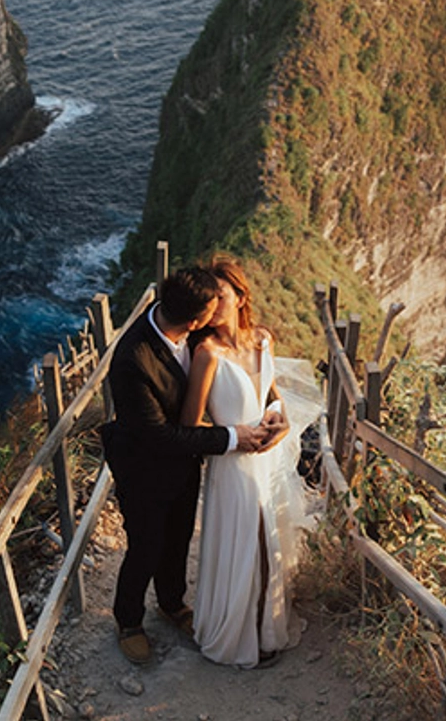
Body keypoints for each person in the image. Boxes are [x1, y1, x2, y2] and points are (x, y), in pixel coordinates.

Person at [101, 266, 267, 666]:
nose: (217, 315)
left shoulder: (189, 330)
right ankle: (128, 621)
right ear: (193, 321)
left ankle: (171, 603)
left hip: (184, 459)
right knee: (145, 545)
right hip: (142, 465)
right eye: (211, 311)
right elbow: (158, 436)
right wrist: (231, 437)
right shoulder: (132, 360)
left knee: (177, 536)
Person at [182, 256, 313, 669]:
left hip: (268, 459)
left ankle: (264, 630)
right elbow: (190, 425)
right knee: (246, 546)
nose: (213, 305)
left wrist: (281, 420)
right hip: (233, 464)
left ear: (241, 297)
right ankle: (237, 636)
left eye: (221, 295)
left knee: (268, 543)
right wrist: (235, 436)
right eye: (209, 297)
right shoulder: (206, 353)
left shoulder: (262, 339)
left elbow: (272, 395)